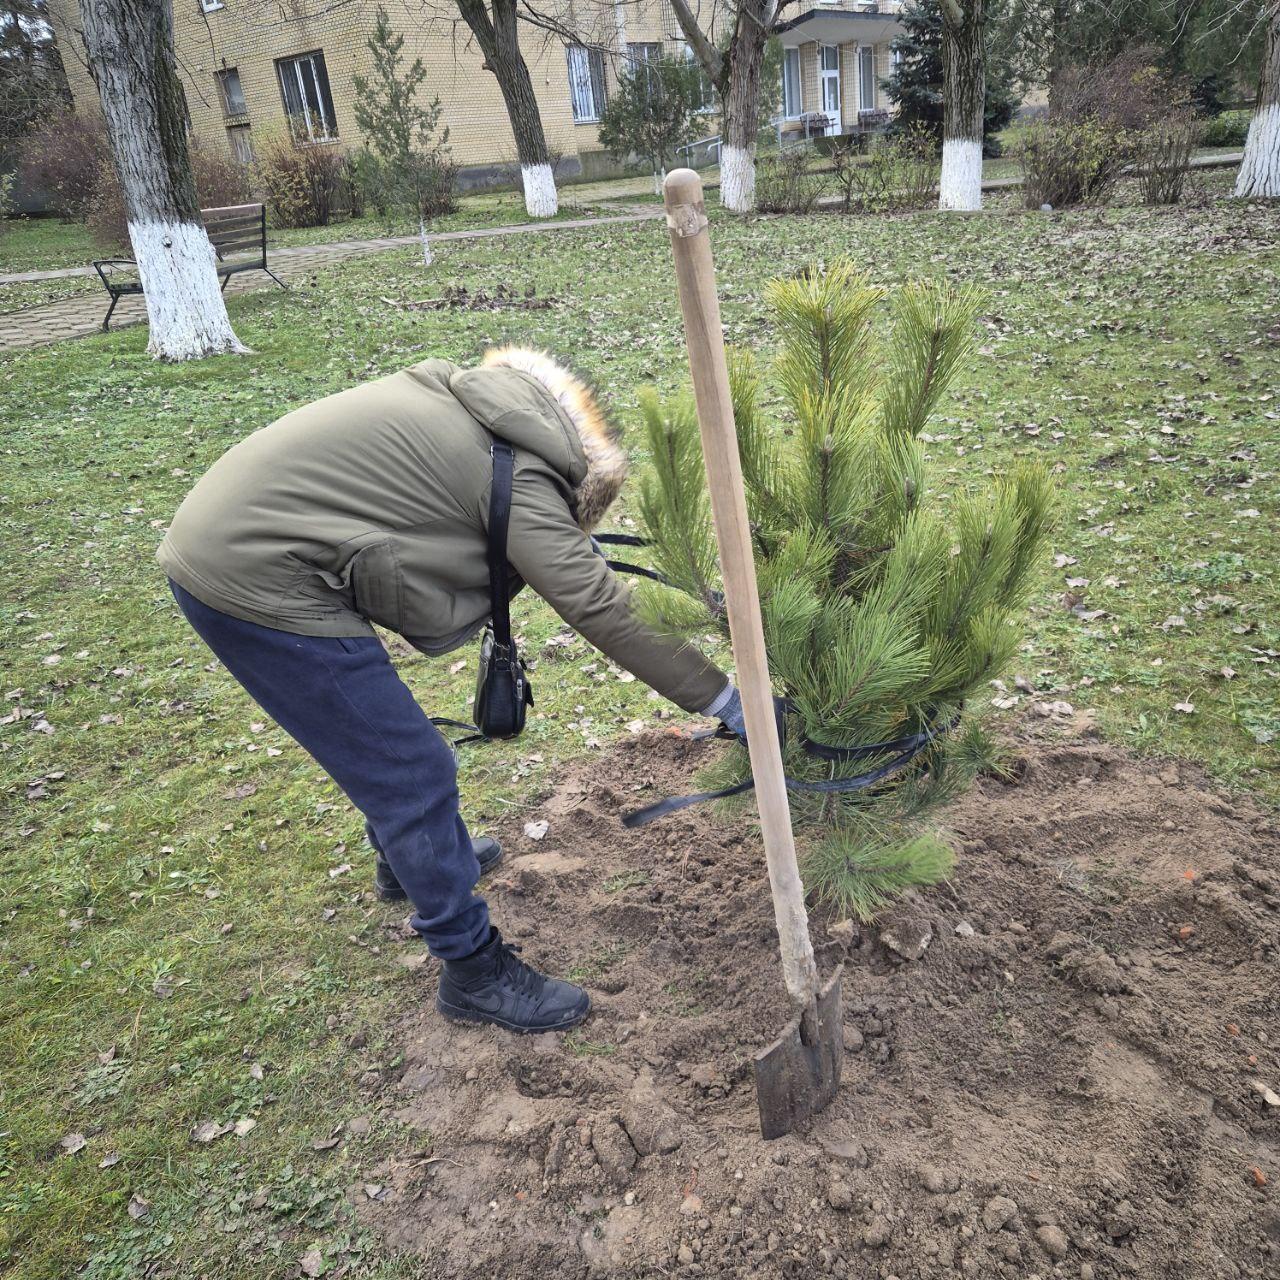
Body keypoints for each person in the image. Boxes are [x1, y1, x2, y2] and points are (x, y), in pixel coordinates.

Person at [158, 348, 747, 1035]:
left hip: (235, 530)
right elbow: (601, 610)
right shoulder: (526, 479)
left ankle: (404, 867)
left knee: (380, 743)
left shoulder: (477, 410)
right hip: (251, 576)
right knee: (409, 767)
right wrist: (732, 704)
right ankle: (473, 971)